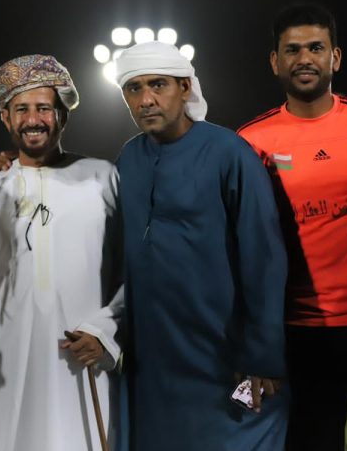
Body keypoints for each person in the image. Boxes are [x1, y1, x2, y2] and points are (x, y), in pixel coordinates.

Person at [114, 41, 288, 451]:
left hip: (221, 352)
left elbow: (264, 257)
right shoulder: (128, 158)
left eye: (158, 84)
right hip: (153, 357)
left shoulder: (229, 152)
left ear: (186, 87)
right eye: (134, 88)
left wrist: (263, 354)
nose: (146, 99)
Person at [238, 3, 347, 451]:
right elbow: (241, 241)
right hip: (301, 331)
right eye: (293, 49)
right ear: (275, 61)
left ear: (335, 58)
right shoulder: (251, 142)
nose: (305, 58)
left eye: (316, 48)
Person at [0, 54, 123, 451]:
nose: (33, 119)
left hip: (85, 356)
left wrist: (106, 332)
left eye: (44, 108)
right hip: (9, 358)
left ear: (63, 115)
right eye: (21, 109)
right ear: (5, 117)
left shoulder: (103, 177)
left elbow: (133, 270)